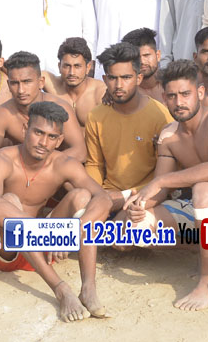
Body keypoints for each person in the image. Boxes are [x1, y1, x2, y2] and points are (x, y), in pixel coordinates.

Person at [125, 60, 208, 311]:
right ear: (164, 97)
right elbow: (160, 192)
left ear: (200, 92)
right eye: (172, 96)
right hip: (202, 210)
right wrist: (140, 206)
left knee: (203, 189)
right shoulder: (169, 135)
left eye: (185, 94)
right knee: (136, 229)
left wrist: (159, 181)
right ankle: (205, 248)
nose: (179, 102)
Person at [0, 102, 113, 321]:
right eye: (38, 133)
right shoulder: (1, 159)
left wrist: (73, 230)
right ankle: (61, 289)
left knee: (82, 196)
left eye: (52, 137)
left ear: (60, 141)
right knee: (9, 200)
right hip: (2, 250)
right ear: (25, 129)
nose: (43, 142)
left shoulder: (64, 163)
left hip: (38, 251)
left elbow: (104, 199)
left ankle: (88, 288)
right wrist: (45, 231)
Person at [83, 42, 173, 212]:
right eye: (112, 78)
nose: (118, 85)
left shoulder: (160, 116)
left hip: (148, 196)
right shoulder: (96, 116)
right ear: (105, 79)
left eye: (126, 78)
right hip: (107, 194)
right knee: (78, 200)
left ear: (139, 78)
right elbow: (94, 164)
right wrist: (96, 194)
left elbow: (166, 174)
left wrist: (123, 196)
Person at [0, 51, 86, 162]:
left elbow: (80, 152)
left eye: (27, 82)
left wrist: (40, 167)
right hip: (19, 169)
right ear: (8, 85)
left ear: (41, 82)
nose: (21, 90)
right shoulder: (3, 113)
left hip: (56, 169)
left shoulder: (61, 107)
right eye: (15, 83)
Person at [42, 37, 106, 127]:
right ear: (59, 66)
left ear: (88, 67)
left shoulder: (100, 93)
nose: (71, 72)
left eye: (77, 66)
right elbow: (26, 74)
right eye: (67, 66)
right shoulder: (51, 83)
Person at [120, 27, 164, 102]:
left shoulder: (173, 83)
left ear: (158, 55)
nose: (142, 61)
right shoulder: (124, 92)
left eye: (146, 55)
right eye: (136, 57)